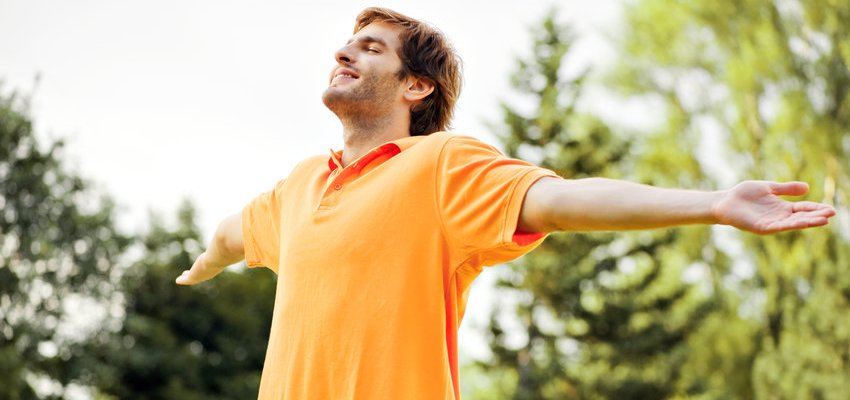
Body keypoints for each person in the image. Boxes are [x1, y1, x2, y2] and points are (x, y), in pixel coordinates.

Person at [175, 7, 836, 400]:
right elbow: (236, 233)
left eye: (371, 47)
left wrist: (713, 203)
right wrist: (207, 260)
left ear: (415, 86)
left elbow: (561, 199)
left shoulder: (437, 167)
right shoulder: (298, 188)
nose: (344, 51)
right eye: (348, 43)